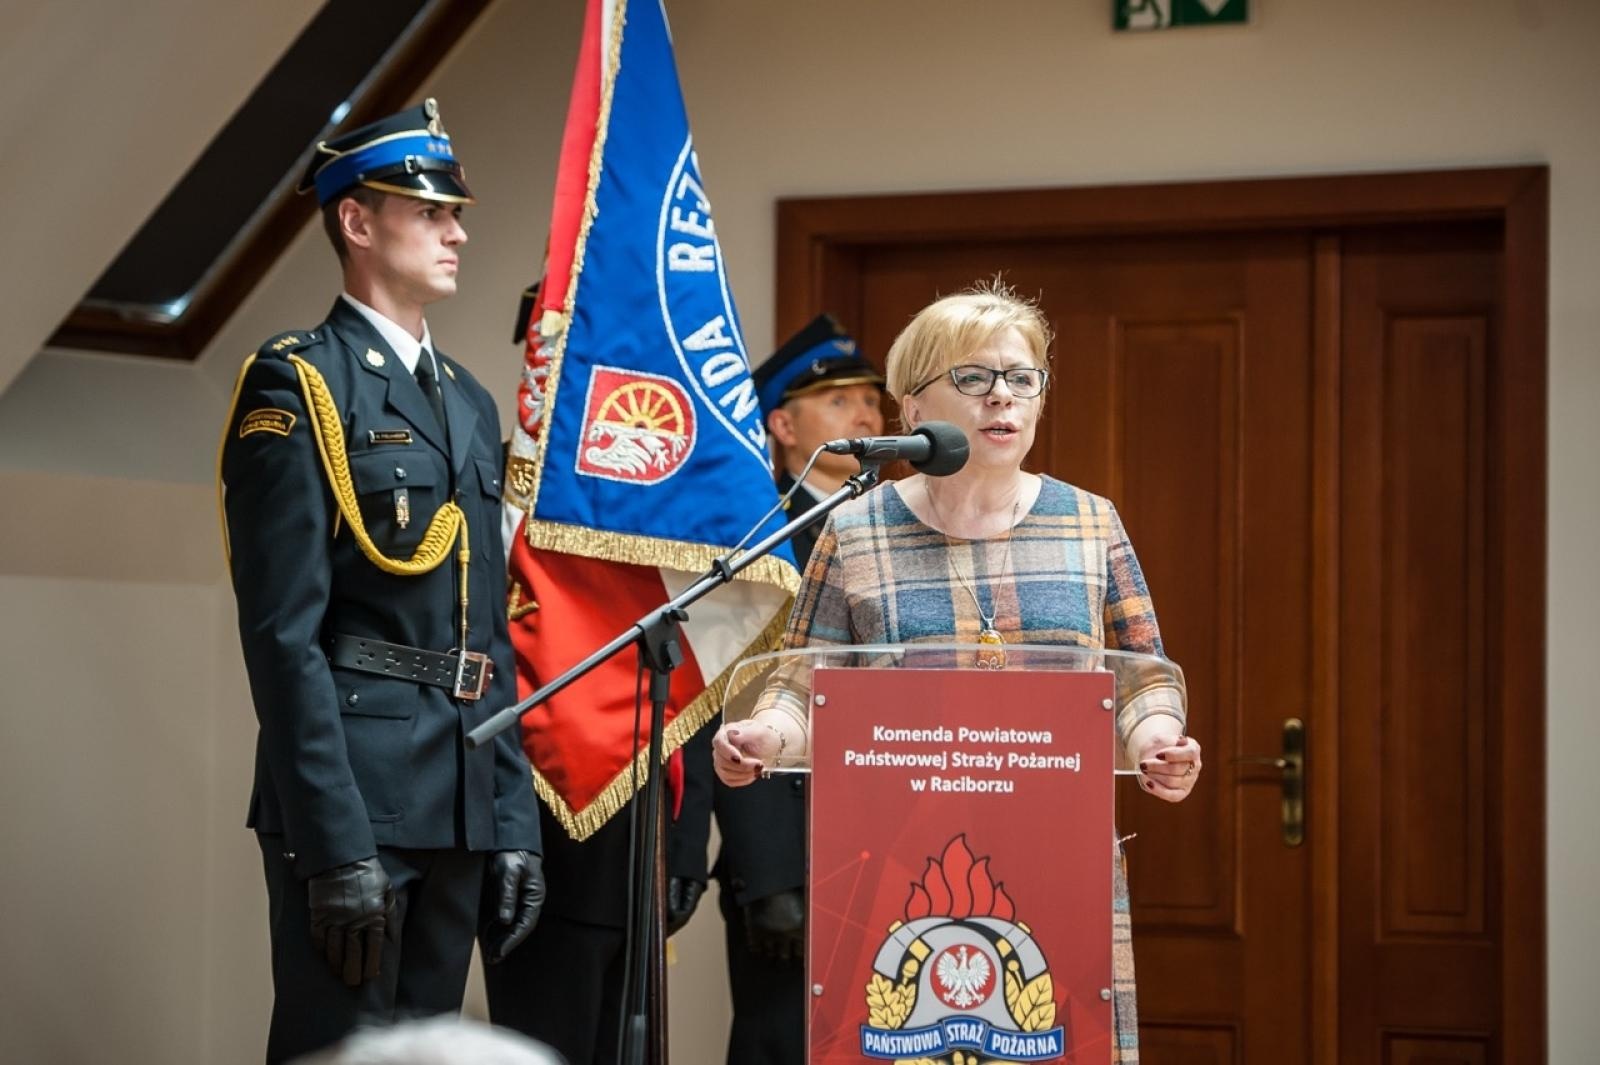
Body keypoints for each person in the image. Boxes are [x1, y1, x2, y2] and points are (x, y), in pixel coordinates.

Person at [712, 283, 1203, 1063]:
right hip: (890, 865)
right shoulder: (854, 527)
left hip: (1057, 857)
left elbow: (1143, 675)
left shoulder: (1090, 521)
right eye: (974, 378)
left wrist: (1159, 739)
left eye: (1022, 376)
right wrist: (762, 736)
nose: (1002, 396)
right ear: (914, 407)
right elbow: (802, 680)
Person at [218, 100, 544, 1064]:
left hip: (458, 792)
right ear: (357, 223)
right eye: (431, 212)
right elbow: (283, 636)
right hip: (355, 790)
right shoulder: (299, 384)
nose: (458, 231)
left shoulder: (472, 403)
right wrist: (334, 843)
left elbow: (490, 632)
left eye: (457, 213)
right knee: (341, 1049)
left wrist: (512, 818)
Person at [699, 315, 884, 1065]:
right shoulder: (757, 535)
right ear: (781, 423)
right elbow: (738, 700)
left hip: (892, 841)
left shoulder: (901, 525)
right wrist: (767, 874)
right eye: (839, 401)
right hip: (793, 857)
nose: (867, 415)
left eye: (871, 401)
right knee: (780, 1044)